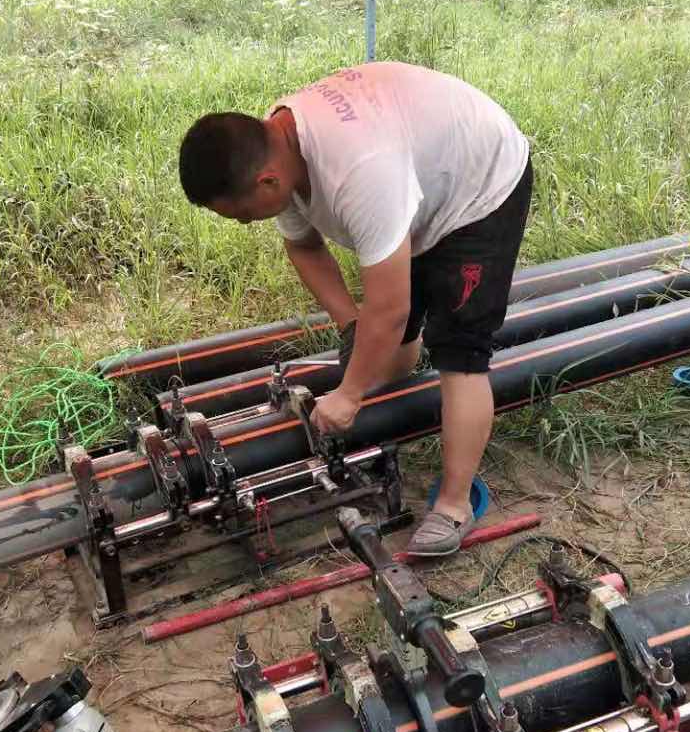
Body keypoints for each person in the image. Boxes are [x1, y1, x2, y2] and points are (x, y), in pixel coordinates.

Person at [178, 61, 533, 557]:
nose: (243, 224)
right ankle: (392, 416)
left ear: (267, 182)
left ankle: (454, 506)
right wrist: (351, 324)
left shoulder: (359, 172)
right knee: (386, 343)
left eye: (241, 215)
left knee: (459, 349)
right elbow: (304, 247)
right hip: (417, 177)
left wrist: (348, 395)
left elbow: (388, 310)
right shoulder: (280, 146)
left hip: (478, 186)